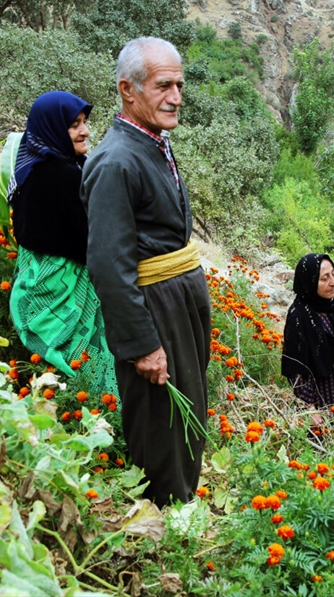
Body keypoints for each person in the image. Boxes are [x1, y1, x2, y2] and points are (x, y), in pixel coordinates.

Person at [81, 37, 211, 507]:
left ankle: (182, 501)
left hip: (176, 300)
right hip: (153, 307)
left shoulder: (152, 142)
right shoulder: (115, 161)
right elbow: (109, 265)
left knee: (188, 405)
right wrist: (142, 343)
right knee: (161, 417)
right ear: (128, 90)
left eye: (179, 84)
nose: (175, 97)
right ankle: (162, 514)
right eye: (163, 86)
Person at [8, 91, 117, 396]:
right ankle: (89, 409)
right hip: (58, 286)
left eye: (84, 122)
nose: (85, 130)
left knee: (52, 362)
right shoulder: (56, 174)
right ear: (54, 128)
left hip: (36, 282)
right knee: (77, 357)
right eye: (74, 125)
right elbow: (89, 236)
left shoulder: (33, 161)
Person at [281, 253, 334, 423]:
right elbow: (297, 369)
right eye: (325, 278)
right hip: (324, 405)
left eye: (333, 274)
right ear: (310, 282)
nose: (332, 282)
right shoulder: (299, 316)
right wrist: (309, 408)